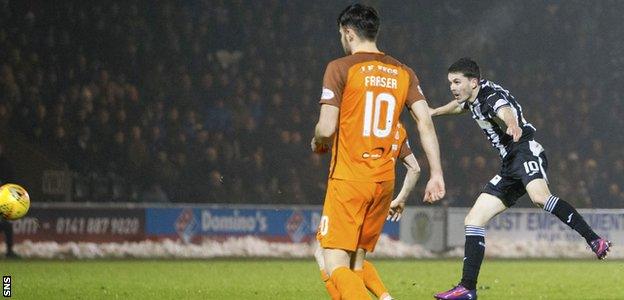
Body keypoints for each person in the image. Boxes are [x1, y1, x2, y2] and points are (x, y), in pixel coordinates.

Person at [431, 58, 611, 300]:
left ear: (473, 82)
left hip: (524, 149)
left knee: (540, 198)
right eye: (450, 82)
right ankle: (467, 288)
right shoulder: (472, 99)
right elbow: (458, 106)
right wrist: (435, 112)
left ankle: (595, 240)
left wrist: (513, 125)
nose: (452, 87)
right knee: (473, 219)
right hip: (509, 164)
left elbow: (504, 110)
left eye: (456, 82)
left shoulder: (489, 96)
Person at [311, 4, 446, 299]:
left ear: (348, 33)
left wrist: (318, 141)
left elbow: (326, 128)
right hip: (384, 183)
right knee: (356, 262)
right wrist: (436, 173)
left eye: (341, 35)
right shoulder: (403, 71)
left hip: (350, 178)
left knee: (330, 257)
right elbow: (424, 121)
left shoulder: (340, 68)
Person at [314, 123, 421, 300]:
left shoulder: (359, 116)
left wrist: (318, 142)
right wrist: (401, 199)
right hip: (383, 190)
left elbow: (324, 134)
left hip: (352, 186)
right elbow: (415, 168)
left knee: (326, 256)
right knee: (356, 261)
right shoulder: (399, 129)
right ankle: (385, 298)